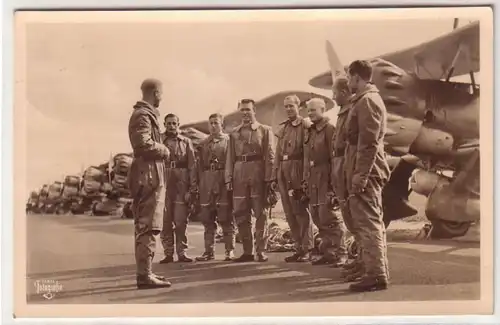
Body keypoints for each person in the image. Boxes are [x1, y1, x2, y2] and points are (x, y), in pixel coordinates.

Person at [344, 60, 391, 292]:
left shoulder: (368, 102)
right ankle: (374, 270)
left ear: (356, 77)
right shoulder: (365, 100)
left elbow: (369, 144)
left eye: (349, 77)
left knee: (368, 223)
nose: (347, 81)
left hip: (367, 171)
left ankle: (376, 274)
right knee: (369, 222)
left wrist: (360, 176)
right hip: (364, 169)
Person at [128, 78, 172, 289]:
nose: (162, 97)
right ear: (156, 93)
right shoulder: (143, 115)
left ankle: (146, 272)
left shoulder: (145, 115)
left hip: (150, 173)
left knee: (149, 225)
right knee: (149, 225)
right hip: (148, 175)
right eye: (161, 93)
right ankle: (144, 276)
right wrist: (164, 150)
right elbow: (142, 144)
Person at [225, 98, 275, 262]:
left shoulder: (265, 130)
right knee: (240, 213)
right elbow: (230, 157)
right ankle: (248, 251)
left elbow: (270, 156)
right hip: (240, 173)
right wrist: (229, 177)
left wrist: (269, 179)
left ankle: (260, 251)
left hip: (258, 173)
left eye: (248, 109)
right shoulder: (234, 133)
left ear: (255, 111)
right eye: (242, 110)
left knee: (260, 213)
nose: (245, 113)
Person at [303, 97, 348, 267]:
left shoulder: (330, 130)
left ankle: (341, 252)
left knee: (330, 216)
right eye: (308, 111)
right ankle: (329, 253)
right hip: (314, 176)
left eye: (313, 110)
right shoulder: (312, 131)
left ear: (323, 110)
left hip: (326, 176)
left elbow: (334, 158)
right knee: (317, 216)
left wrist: (332, 185)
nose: (310, 113)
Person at [271, 95, 314, 262]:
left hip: (297, 169)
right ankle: (298, 247)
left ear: (299, 107)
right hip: (284, 171)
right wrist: (275, 174)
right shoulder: (284, 129)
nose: (289, 109)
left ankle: (307, 248)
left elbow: (307, 153)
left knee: (301, 211)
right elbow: (278, 154)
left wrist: (305, 177)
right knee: (289, 212)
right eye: (286, 107)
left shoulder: (305, 126)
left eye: (291, 106)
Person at [330, 77, 363, 279]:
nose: (332, 96)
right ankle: (359, 260)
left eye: (334, 92)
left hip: (348, 164)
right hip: (340, 165)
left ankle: (364, 262)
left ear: (343, 92)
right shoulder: (344, 111)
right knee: (349, 216)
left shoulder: (352, 109)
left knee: (356, 217)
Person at [195, 113, 236, 262]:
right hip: (207, 181)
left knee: (226, 218)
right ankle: (208, 251)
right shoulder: (203, 143)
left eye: (216, 123)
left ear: (222, 125)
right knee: (207, 218)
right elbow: (198, 166)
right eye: (211, 123)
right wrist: (200, 183)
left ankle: (229, 250)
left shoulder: (228, 141)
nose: (213, 126)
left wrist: (229, 180)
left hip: (222, 180)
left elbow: (231, 162)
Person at [159, 113, 198, 264]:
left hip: (182, 183)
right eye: (168, 123)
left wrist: (192, 188)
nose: (171, 126)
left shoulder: (186, 142)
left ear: (178, 124)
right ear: (165, 124)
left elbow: (192, 166)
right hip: (165, 182)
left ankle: (182, 252)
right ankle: (168, 253)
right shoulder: (160, 141)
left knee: (181, 220)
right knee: (165, 220)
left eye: (174, 123)